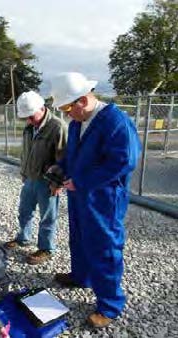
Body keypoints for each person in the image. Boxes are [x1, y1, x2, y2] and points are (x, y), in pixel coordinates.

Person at [49, 72, 141, 328]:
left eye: (67, 107)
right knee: (78, 237)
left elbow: (125, 161)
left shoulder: (115, 122)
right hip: (80, 194)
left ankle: (110, 305)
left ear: (82, 100)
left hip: (104, 198)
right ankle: (82, 276)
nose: (66, 114)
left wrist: (83, 181)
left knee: (104, 247)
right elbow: (74, 154)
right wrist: (60, 168)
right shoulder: (80, 122)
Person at [5, 90, 67, 265]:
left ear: (42, 108)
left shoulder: (57, 127)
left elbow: (65, 158)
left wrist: (58, 183)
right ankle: (23, 238)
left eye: (31, 116)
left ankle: (46, 248)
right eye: (26, 118)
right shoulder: (30, 127)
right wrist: (24, 173)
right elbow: (27, 152)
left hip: (48, 182)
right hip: (30, 178)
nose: (29, 120)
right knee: (24, 211)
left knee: (48, 216)